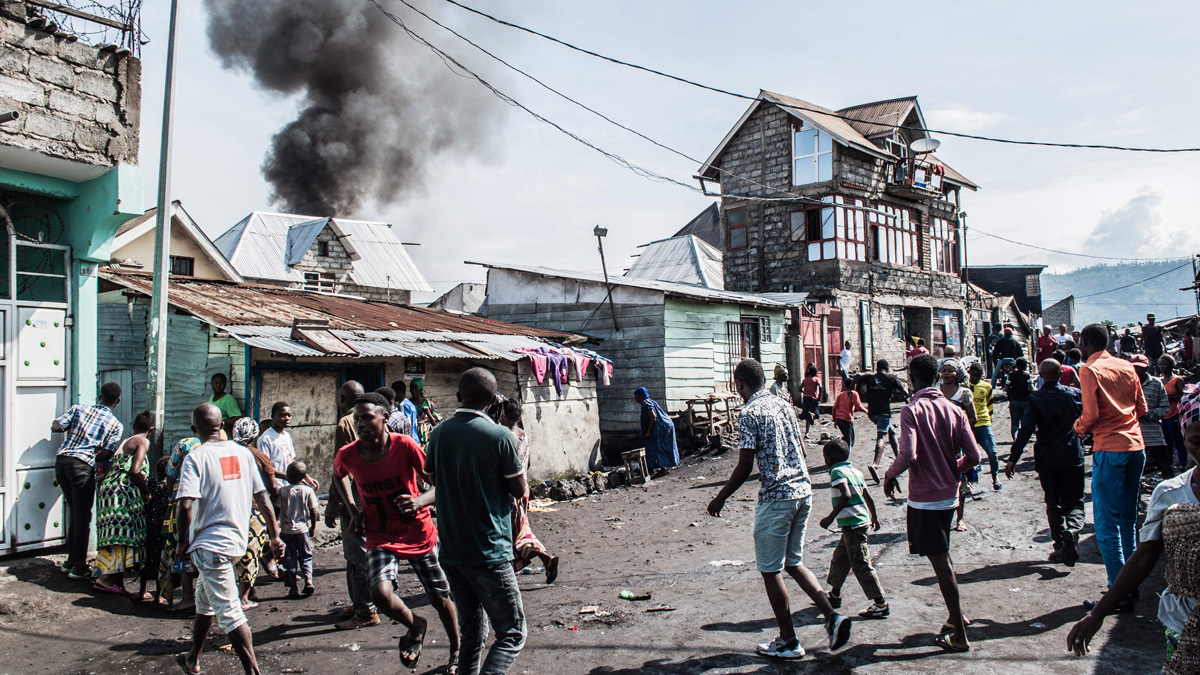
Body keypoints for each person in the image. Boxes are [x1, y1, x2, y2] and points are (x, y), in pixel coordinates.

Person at [708, 358, 852, 661]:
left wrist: (720, 497)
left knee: (771, 570)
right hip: (803, 491)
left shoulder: (749, 412)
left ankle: (788, 641)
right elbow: (800, 446)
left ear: (742, 384)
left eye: (738, 387)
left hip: (777, 498)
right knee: (793, 562)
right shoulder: (784, 403)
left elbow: (745, 465)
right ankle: (832, 616)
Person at [1068, 384, 1200, 669]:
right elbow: (1144, 557)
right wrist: (1098, 614)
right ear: (1184, 436)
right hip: (1182, 620)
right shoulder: (1170, 493)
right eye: (1197, 440)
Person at [335, 392, 461, 672]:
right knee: (379, 593)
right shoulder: (349, 454)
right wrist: (353, 510)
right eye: (357, 419)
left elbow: (438, 483)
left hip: (418, 532)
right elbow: (338, 473)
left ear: (384, 417)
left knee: (440, 597)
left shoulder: (404, 446)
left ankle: (456, 651)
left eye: (367, 418)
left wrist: (419, 501)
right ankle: (416, 626)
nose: (361, 424)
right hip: (380, 534)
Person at [425, 368, 528, 675]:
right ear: (494, 400)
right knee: (511, 633)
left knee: (472, 637)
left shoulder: (439, 433)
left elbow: (432, 479)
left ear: (458, 396)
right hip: (489, 549)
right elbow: (519, 489)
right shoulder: (500, 436)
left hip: (453, 550)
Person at [175, 403, 284, 675]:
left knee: (230, 612)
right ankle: (193, 657)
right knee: (205, 600)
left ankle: (253, 671)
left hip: (211, 546)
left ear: (194, 430)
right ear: (223, 425)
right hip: (237, 542)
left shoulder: (196, 457)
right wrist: (274, 535)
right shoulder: (243, 453)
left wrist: (181, 542)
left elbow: (185, 505)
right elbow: (262, 498)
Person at [883, 354, 980, 653]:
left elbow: (908, 454)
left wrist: (889, 474)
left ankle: (960, 634)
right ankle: (956, 617)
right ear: (937, 376)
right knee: (944, 557)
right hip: (950, 496)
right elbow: (974, 457)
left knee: (940, 563)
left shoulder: (912, 410)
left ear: (912, 378)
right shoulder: (954, 410)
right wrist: (953, 469)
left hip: (926, 500)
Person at [1075, 323, 1147, 608]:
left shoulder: (1089, 369)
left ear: (1085, 342)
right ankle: (1131, 586)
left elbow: (1090, 415)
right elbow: (1141, 408)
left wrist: (1078, 428)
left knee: (1106, 524)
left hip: (1110, 448)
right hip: (1136, 447)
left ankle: (1117, 590)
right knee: (1128, 522)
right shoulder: (1126, 366)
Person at [1004, 359, 1085, 566]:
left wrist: (1013, 458)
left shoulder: (1036, 399)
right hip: (1072, 455)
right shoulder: (1074, 395)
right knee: (1074, 500)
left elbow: (1025, 431)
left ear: (1040, 375)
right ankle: (1073, 529)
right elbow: (1088, 419)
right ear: (1061, 374)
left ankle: (1059, 545)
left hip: (1047, 458)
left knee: (1052, 501)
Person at [52, 382, 124, 580]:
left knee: (75, 512)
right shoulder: (115, 424)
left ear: (99, 395)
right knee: (83, 516)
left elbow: (57, 425)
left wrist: (68, 431)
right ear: (118, 401)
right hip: (82, 467)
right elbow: (107, 452)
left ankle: (70, 560)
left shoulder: (78, 409)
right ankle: (80, 565)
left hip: (62, 462)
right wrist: (91, 453)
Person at [327, 381, 381, 631]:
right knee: (362, 554)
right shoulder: (377, 419)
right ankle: (363, 602)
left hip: (356, 504)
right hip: (373, 499)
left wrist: (334, 507)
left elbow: (341, 472)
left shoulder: (345, 423)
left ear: (342, 398)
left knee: (356, 556)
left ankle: (365, 609)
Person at [818, 439, 888, 619]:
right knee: (840, 559)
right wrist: (874, 517)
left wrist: (830, 517)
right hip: (857, 523)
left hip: (853, 525)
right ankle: (834, 594)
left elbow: (845, 494)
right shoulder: (855, 471)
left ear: (830, 458)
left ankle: (880, 603)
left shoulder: (836, 471)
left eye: (825, 457)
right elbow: (868, 497)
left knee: (861, 563)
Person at [498, 399, 559, 583]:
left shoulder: (506, 436)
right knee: (520, 528)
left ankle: (545, 558)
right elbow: (529, 463)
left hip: (511, 491)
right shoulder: (523, 434)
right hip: (524, 488)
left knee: (517, 533)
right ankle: (535, 563)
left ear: (504, 415)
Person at [93, 411, 153, 596]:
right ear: (150, 429)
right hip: (121, 493)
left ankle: (107, 578)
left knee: (114, 536)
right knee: (122, 534)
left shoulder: (125, 443)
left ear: (134, 426)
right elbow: (135, 470)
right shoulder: (143, 441)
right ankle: (108, 581)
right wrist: (146, 491)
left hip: (109, 492)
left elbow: (110, 470)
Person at [231, 417, 277, 611]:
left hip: (231, 508)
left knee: (233, 553)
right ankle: (242, 598)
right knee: (250, 552)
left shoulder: (227, 452)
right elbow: (270, 486)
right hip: (254, 510)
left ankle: (243, 592)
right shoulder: (256, 455)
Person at [162, 436, 201, 609]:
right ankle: (205, 599)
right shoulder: (219, 445)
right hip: (209, 505)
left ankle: (187, 598)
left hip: (184, 501)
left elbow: (171, 472)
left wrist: (171, 496)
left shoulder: (185, 444)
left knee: (183, 548)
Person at [937, 358, 976, 532]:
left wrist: (960, 432)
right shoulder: (935, 391)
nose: (946, 373)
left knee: (960, 481)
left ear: (957, 374)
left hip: (957, 444)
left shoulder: (964, 393)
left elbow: (973, 418)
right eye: (943, 370)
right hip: (936, 443)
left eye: (950, 370)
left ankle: (960, 519)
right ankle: (941, 517)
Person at [863, 360, 909, 485]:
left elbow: (856, 378)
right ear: (887, 368)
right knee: (881, 437)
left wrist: (850, 389)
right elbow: (905, 392)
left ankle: (899, 459)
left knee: (891, 432)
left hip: (872, 413)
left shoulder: (870, 377)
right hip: (883, 412)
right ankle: (875, 465)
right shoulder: (891, 378)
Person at [279, 461, 318, 599]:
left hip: (286, 531)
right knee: (306, 555)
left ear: (288, 476)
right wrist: (313, 526)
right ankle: (308, 580)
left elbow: (277, 509)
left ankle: (293, 587)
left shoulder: (283, 491)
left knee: (289, 559)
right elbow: (314, 511)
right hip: (303, 530)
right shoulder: (308, 491)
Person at [1131, 354, 1172, 480]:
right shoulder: (1126, 383)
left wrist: (1147, 415)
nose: (1137, 371)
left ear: (1146, 368)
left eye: (1140, 368)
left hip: (1153, 434)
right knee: (1133, 470)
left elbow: (1165, 408)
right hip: (1132, 434)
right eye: (1134, 367)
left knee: (1164, 464)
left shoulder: (1156, 383)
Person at [139, 456, 171, 604]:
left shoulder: (150, 483)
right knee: (160, 560)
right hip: (163, 526)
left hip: (149, 525)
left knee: (147, 558)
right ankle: (159, 595)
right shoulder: (169, 487)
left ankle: (142, 590)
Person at [967, 362, 1000, 491]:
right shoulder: (964, 387)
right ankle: (968, 481)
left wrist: (989, 420)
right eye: (974, 375)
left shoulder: (986, 387)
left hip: (984, 424)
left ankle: (995, 478)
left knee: (992, 452)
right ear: (969, 373)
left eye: (978, 376)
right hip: (969, 426)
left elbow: (990, 405)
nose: (975, 378)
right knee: (969, 456)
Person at [634, 387, 679, 478]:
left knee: (656, 447)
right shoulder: (650, 401)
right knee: (657, 447)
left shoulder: (646, 403)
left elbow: (653, 417)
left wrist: (648, 432)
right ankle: (654, 468)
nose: (635, 398)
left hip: (660, 427)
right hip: (665, 425)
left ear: (640, 396)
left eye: (636, 396)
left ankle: (658, 469)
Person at [258, 402, 296, 489]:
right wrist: (286, 477)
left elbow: (291, 459)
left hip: (288, 486)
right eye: (282, 415)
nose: (287, 418)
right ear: (273, 417)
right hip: (275, 487)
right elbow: (266, 468)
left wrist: (304, 476)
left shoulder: (287, 436)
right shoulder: (266, 438)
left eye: (289, 415)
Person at [1161, 355, 1187, 473]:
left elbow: (1183, 396)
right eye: (1160, 364)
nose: (1162, 367)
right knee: (1166, 442)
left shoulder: (1177, 380)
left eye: (1164, 364)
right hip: (1163, 415)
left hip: (1175, 413)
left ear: (1171, 365)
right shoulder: (1159, 381)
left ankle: (1182, 464)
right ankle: (1169, 464)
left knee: (1177, 440)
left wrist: (1167, 398)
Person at [832, 378, 867, 449]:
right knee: (850, 440)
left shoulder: (841, 394)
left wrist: (834, 419)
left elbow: (834, 408)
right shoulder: (853, 394)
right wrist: (867, 411)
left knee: (846, 437)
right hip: (847, 419)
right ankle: (845, 454)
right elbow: (859, 407)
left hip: (839, 419)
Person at [1006, 358, 1033, 442]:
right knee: (1024, 423)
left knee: (1014, 423)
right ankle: (1022, 441)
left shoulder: (1011, 375)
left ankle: (1015, 440)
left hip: (1013, 401)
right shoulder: (1027, 375)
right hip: (1025, 401)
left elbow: (1006, 388)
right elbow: (1030, 388)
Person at [392, 379, 421, 445]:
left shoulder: (403, 406)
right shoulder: (410, 404)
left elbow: (406, 425)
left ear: (398, 392)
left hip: (410, 441)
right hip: (415, 439)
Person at [798, 364, 823, 437]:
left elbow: (800, 388)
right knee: (816, 414)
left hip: (805, 398)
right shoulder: (816, 379)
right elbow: (820, 387)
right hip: (813, 398)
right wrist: (819, 396)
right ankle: (812, 415)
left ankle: (807, 433)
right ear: (815, 373)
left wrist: (805, 392)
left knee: (806, 417)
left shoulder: (805, 380)